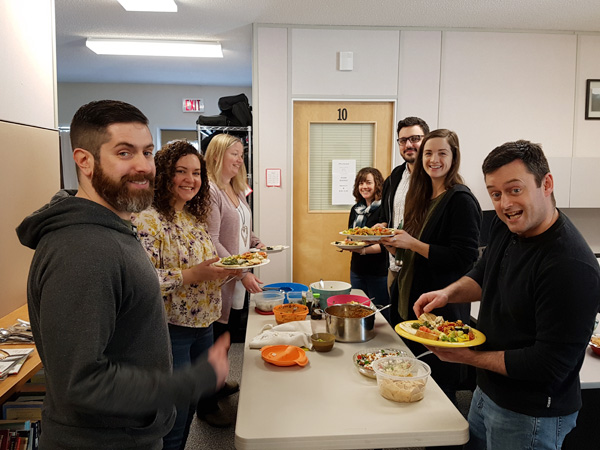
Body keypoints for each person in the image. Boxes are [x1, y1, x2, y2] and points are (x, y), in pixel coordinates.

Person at [15, 100, 229, 450]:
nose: (143, 166)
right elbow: (81, 383)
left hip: (132, 429)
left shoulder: (113, 230)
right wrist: (188, 382)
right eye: (125, 153)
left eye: (147, 152)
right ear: (84, 160)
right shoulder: (82, 249)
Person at [414, 140, 600, 450]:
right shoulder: (508, 226)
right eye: (495, 194)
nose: (504, 204)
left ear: (547, 184)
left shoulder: (570, 265)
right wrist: (446, 294)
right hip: (487, 391)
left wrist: (467, 357)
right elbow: (483, 274)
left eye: (515, 190)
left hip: (532, 415)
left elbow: (548, 364)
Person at [132, 140, 235, 447]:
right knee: (172, 413)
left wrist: (223, 272)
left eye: (196, 173)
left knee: (191, 404)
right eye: (181, 171)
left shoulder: (193, 218)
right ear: (164, 174)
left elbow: (204, 272)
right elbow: (141, 281)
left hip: (204, 325)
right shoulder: (147, 219)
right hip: (171, 329)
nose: (191, 180)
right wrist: (192, 275)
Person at [380, 129, 481, 406]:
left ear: (454, 157)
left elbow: (464, 259)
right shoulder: (422, 196)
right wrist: (393, 244)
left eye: (441, 153)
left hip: (439, 311)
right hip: (410, 302)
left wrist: (412, 244)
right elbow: (415, 250)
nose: (433, 159)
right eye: (428, 153)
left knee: (439, 389)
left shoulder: (460, 199)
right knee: (412, 377)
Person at [205, 133, 265, 340]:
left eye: (241, 155)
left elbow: (243, 226)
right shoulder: (210, 191)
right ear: (216, 155)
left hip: (239, 275)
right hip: (224, 280)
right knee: (218, 340)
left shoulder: (236, 188)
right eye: (235, 154)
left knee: (229, 339)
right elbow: (212, 240)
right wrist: (242, 273)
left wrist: (256, 242)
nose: (240, 160)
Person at [377, 117, 430, 295]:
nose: (408, 144)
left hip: (422, 268)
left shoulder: (434, 179)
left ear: (427, 140)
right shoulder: (395, 176)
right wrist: (381, 227)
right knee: (396, 320)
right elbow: (387, 216)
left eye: (415, 138)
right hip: (394, 265)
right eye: (403, 140)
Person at [345, 167, 390, 320]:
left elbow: (386, 244)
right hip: (357, 269)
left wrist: (363, 251)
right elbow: (351, 235)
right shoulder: (356, 209)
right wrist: (347, 243)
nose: (364, 187)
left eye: (369, 182)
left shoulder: (385, 209)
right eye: (361, 183)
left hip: (378, 271)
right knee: (359, 310)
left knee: (381, 313)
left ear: (377, 184)